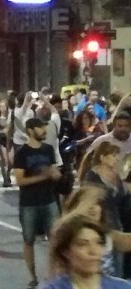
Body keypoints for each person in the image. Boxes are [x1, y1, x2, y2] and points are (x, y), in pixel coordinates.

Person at [12, 118, 62, 289]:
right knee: (29, 240)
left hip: (49, 200)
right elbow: (19, 180)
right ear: (30, 130)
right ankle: (33, 276)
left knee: (55, 239)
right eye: (41, 128)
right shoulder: (22, 153)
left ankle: (53, 274)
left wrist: (56, 175)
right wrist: (43, 176)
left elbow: (54, 170)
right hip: (29, 203)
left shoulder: (48, 149)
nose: (44, 131)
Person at [43, 214, 131, 289]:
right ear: (65, 252)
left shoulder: (123, 286)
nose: (93, 251)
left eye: (98, 243)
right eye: (82, 244)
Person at [61, 186, 131, 278]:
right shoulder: (66, 236)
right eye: (86, 204)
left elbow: (126, 241)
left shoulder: (107, 234)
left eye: (96, 203)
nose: (92, 208)